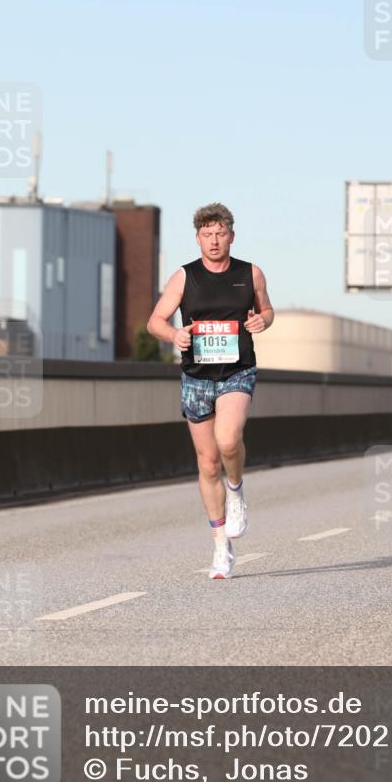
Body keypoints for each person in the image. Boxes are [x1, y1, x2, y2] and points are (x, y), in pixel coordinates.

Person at [147, 203, 274, 578]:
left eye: (220, 233)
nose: (214, 240)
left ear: (231, 236)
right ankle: (221, 547)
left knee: (229, 439)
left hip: (237, 371)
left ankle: (236, 491)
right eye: (207, 234)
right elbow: (156, 320)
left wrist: (260, 320)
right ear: (198, 237)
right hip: (196, 376)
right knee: (206, 463)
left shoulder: (249, 273)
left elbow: (267, 310)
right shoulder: (184, 278)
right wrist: (174, 334)